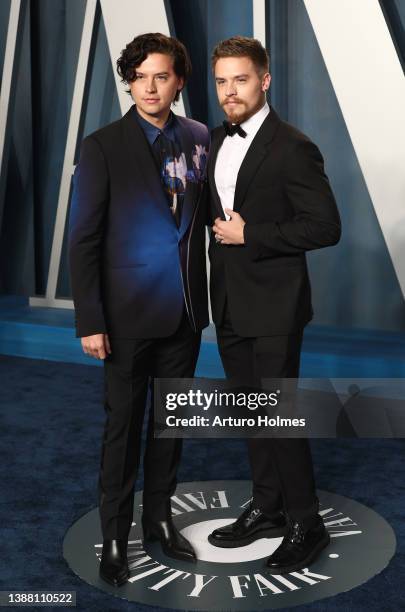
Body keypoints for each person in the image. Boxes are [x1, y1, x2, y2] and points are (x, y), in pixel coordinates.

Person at [68, 32, 209, 587]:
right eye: (141, 75)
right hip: (123, 318)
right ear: (130, 79)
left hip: (184, 313)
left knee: (171, 426)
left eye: (162, 76)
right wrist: (91, 320)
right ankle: (113, 537)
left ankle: (159, 521)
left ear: (178, 81)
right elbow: (83, 239)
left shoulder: (200, 136)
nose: (151, 87)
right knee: (122, 430)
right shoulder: (101, 145)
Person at [206, 36, 341, 574]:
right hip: (231, 303)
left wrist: (252, 235)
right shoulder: (215, 139)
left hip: (276, 305)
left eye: (240, 79)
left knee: (279, 416)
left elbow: (326, 227)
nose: (229, 91)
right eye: (221, 81)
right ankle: (268, 506)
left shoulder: (292, 145)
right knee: (250, 412)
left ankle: (307, 522)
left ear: (265, 80)